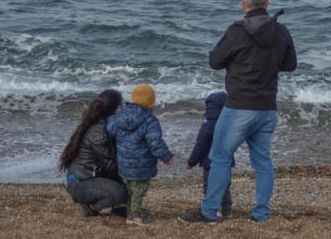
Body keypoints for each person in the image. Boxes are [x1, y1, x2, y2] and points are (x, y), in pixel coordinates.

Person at [181, 0, 297, 224]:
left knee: (219, 158)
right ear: (267, 4)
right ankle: (261, 215)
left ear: (243, 5)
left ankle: (209, 212)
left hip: (238, 107)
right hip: (266, 109)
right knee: (263, 163)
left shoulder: (237, 31)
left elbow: (215, 60)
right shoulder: (281, 31)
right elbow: (290, 65)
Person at [106, 83, 174, 226]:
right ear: (151, 102)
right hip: (142, 166)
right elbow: (155, 143)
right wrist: (166, 157)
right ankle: (134, 216)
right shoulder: (150, 121)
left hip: (124, 164)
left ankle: (130, 210)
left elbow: (110, 129)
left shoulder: (120, 114)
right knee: (139, 190)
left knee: (131, 189)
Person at [58, 89, 127, 218]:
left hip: (89, 177)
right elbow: (110, 164)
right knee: (121, 193)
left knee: (125, 191)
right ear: (113, 109)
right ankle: (91, 206)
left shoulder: (101, 123)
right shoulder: (98, 131)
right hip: (82, 182)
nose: (123, 109)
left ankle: (112, 205)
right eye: (121, 105)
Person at [186, 91, 234, 217]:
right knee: (224, 186)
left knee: (209, 186)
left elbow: (200, 146)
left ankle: (212, 209)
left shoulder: (208, 125)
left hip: (210, 163)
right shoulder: (230, 125)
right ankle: (227, 210)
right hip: (226, 162)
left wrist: (191, 162)